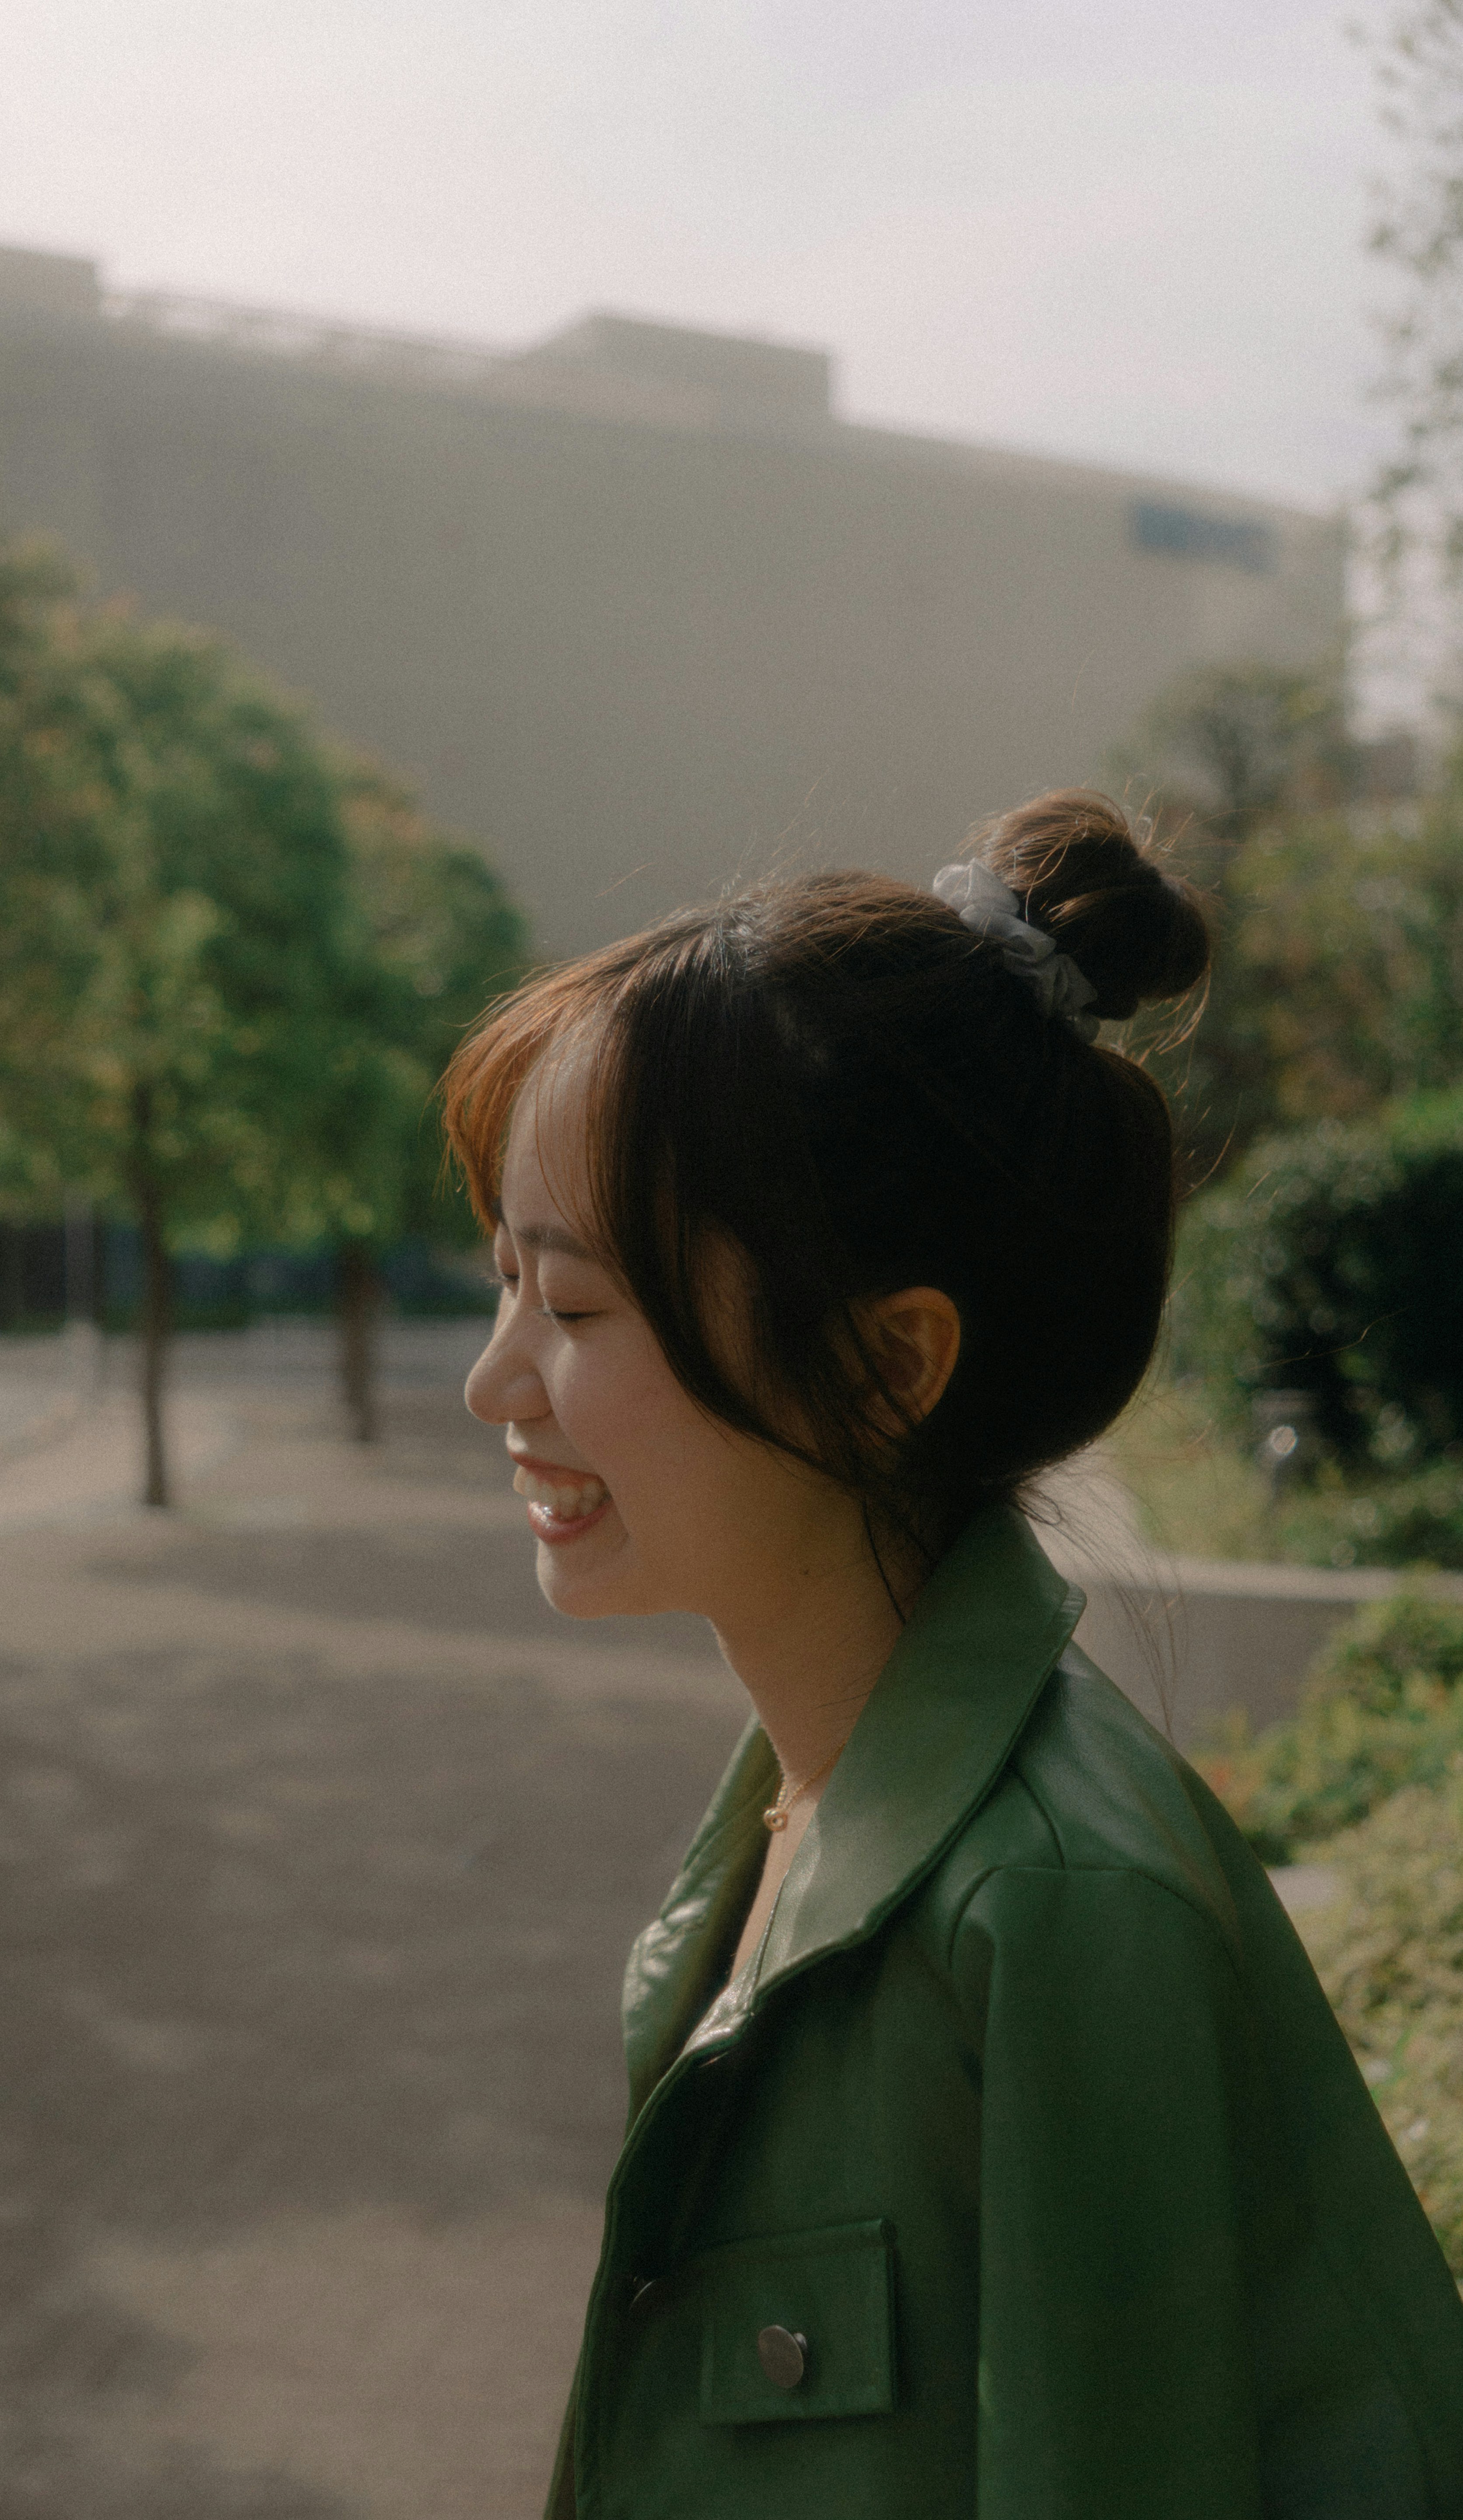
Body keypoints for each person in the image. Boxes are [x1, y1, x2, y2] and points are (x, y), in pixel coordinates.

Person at [446, 790, 1463, 2520]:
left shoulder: (1049, 1907)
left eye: (579, 1308)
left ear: (888, 1363)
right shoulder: (811, 1801)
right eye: (501, 1287)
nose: (496, 1382)